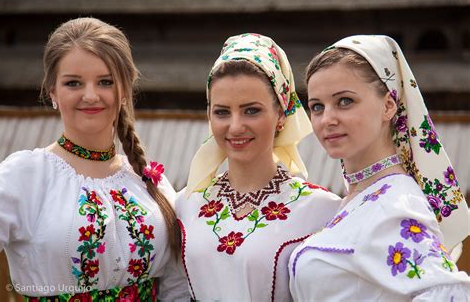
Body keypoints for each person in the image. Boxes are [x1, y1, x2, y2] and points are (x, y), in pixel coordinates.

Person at [0, 17, 189, 300]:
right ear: (53, 91)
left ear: (123, 90)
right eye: (73, 83)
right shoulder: (25, 177)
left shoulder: (148, 183)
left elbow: (177, 286)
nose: (90, 95)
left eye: (105, 82)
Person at [289, 34, 470, 301]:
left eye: (345, 101)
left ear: (388, 105)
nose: (327, 119)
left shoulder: (395, 205)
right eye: (317, 106)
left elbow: (450, 295)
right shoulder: (361, 200)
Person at [175, 33, 342, 301]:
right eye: (222, 112)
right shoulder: (186, 203)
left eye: (251, 110)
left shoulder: (323, 211)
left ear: (280, 114)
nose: (236, 126)